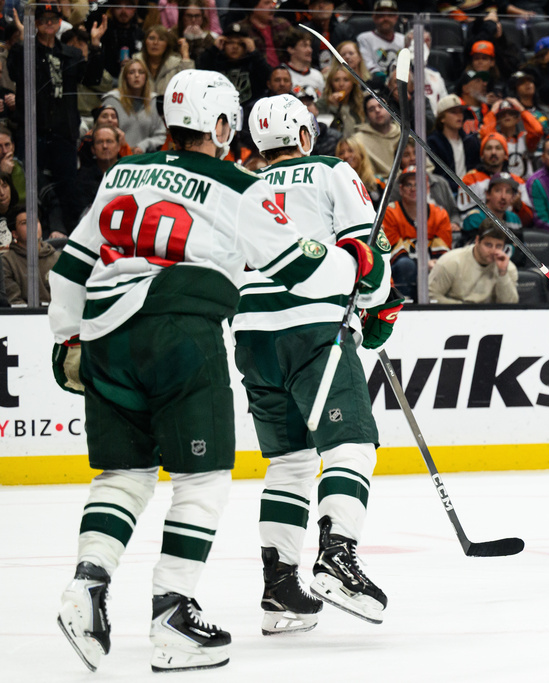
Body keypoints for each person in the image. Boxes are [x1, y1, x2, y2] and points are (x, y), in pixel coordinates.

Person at [50, 69, 368, 673]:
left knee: (123, 476)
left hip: (103, 336)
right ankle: (173, 613)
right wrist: (359, 269)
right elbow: (296, 264)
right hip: (180, 334)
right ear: (221, 126)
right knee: (202, 479)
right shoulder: (236, 184)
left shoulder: (122, 173)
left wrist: (65, 337)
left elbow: (70, 266)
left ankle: (87, 588)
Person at [241, 93, 399, 634]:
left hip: (252, 335)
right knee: (351, 443)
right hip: (314, 328)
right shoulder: (333, 170)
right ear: (306, 136)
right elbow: (364, 257)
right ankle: (338, 555)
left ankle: (280, 588)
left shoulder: (243, 186)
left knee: (290, 462)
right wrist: (382, 304)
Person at [7, 3, 106, 240]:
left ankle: (73, 237)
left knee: (68, 189)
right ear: (36, 23)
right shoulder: (25, 51)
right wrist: (23, 41)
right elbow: (13, 73)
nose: (49, 23)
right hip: (33, 131)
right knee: (33, 188)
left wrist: (94, 45)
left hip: (63, 132)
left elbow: (92, 77)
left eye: (53, 19)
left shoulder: (70, 53)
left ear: (60, 22)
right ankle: (34, 236)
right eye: (43, 19)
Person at [383, 165, 453, 300]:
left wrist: (433, 264)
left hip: (431, 267)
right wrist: (421, 265)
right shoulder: (390, 213)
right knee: (405, 265)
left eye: (418, 184)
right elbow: (392, 253)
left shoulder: (440, 214)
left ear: (427, 188)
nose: (413, 189)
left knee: (443, 265)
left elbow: (443, 253)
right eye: (408, 185)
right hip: (400, 270)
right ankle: (402, 302)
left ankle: (438, 302)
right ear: (401, 190)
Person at [428, 219, 518, 304]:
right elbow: (430, 296)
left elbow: (511, 306)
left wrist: (502, 274)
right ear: (477, 240)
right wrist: (465, 310)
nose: (493, 251)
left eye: (498, 246)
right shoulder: (450, 262)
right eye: (488, 245)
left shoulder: (508, 268)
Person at [458, 132, 531, 226]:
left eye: (498, 148)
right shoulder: (470, 179)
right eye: (489, 148)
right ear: (482, 155)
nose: (493, 152)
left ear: (506, 155)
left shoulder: (517, 181)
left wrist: (519, 207)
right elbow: (465, 217)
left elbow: (529, 221)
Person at [102, 59, 168, 154]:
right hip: (116, 156)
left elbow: (161, 135)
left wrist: (143, 146)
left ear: (146, 77)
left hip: (144, 157)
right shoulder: (112, 100)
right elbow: (102, 132)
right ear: (125, 77)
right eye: (131, 72)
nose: (137, 76)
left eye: (141, 72)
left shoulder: (154, 101)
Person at [1, 204, 61, 306]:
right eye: (24, 223)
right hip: (23, 318)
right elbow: (14, 301)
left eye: (36, 221)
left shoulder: (58, 258)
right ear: (14, 234)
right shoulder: (6, 262)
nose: (32, 225)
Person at [428, 95, 481, 193]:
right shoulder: (433, 143)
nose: (459, 116)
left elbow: (477, 167)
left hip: (472, 191)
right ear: (442, 118)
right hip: (448, 193)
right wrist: (462, 187)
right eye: (453, 112)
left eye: (460, 111)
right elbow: (438, 176)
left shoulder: (470, 141)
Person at [460, 172, 523, 245]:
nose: (503, 197)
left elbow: (521, 253)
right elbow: (473, 250)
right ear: (488, 194)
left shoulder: (515, 219)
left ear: (513, 196)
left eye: (508, 191)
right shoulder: (475, 217)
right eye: (498, 190)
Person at [349, 95, 402, 178]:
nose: (377, 111)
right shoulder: (358, 141)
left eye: (381, 106)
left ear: (390, 110)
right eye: (371, 109)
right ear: (367, 116)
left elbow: (426, 167)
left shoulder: (405, 136)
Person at [136, 24, 194, 96]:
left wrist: (185, 55)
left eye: (161, 39)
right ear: (145, 42)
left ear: (167, 44)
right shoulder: (136, 62)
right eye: (151, 38)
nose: (155, 43)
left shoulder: (176, 64)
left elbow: (189, 84)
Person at [358, 0, 404, 79]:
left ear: (396, 17)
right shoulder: (364, 38)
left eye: (390, 15)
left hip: (399, 83)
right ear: (374, 17)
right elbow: (367, 65)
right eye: (381, 15)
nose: (386, 18)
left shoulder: (403, 39)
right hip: (375, 84)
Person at [282, 29, 326, 99]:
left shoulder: (317, 75)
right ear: (291, 49)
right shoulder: (282, 73)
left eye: (309, 46)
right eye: (304, 46)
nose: (310, 50)